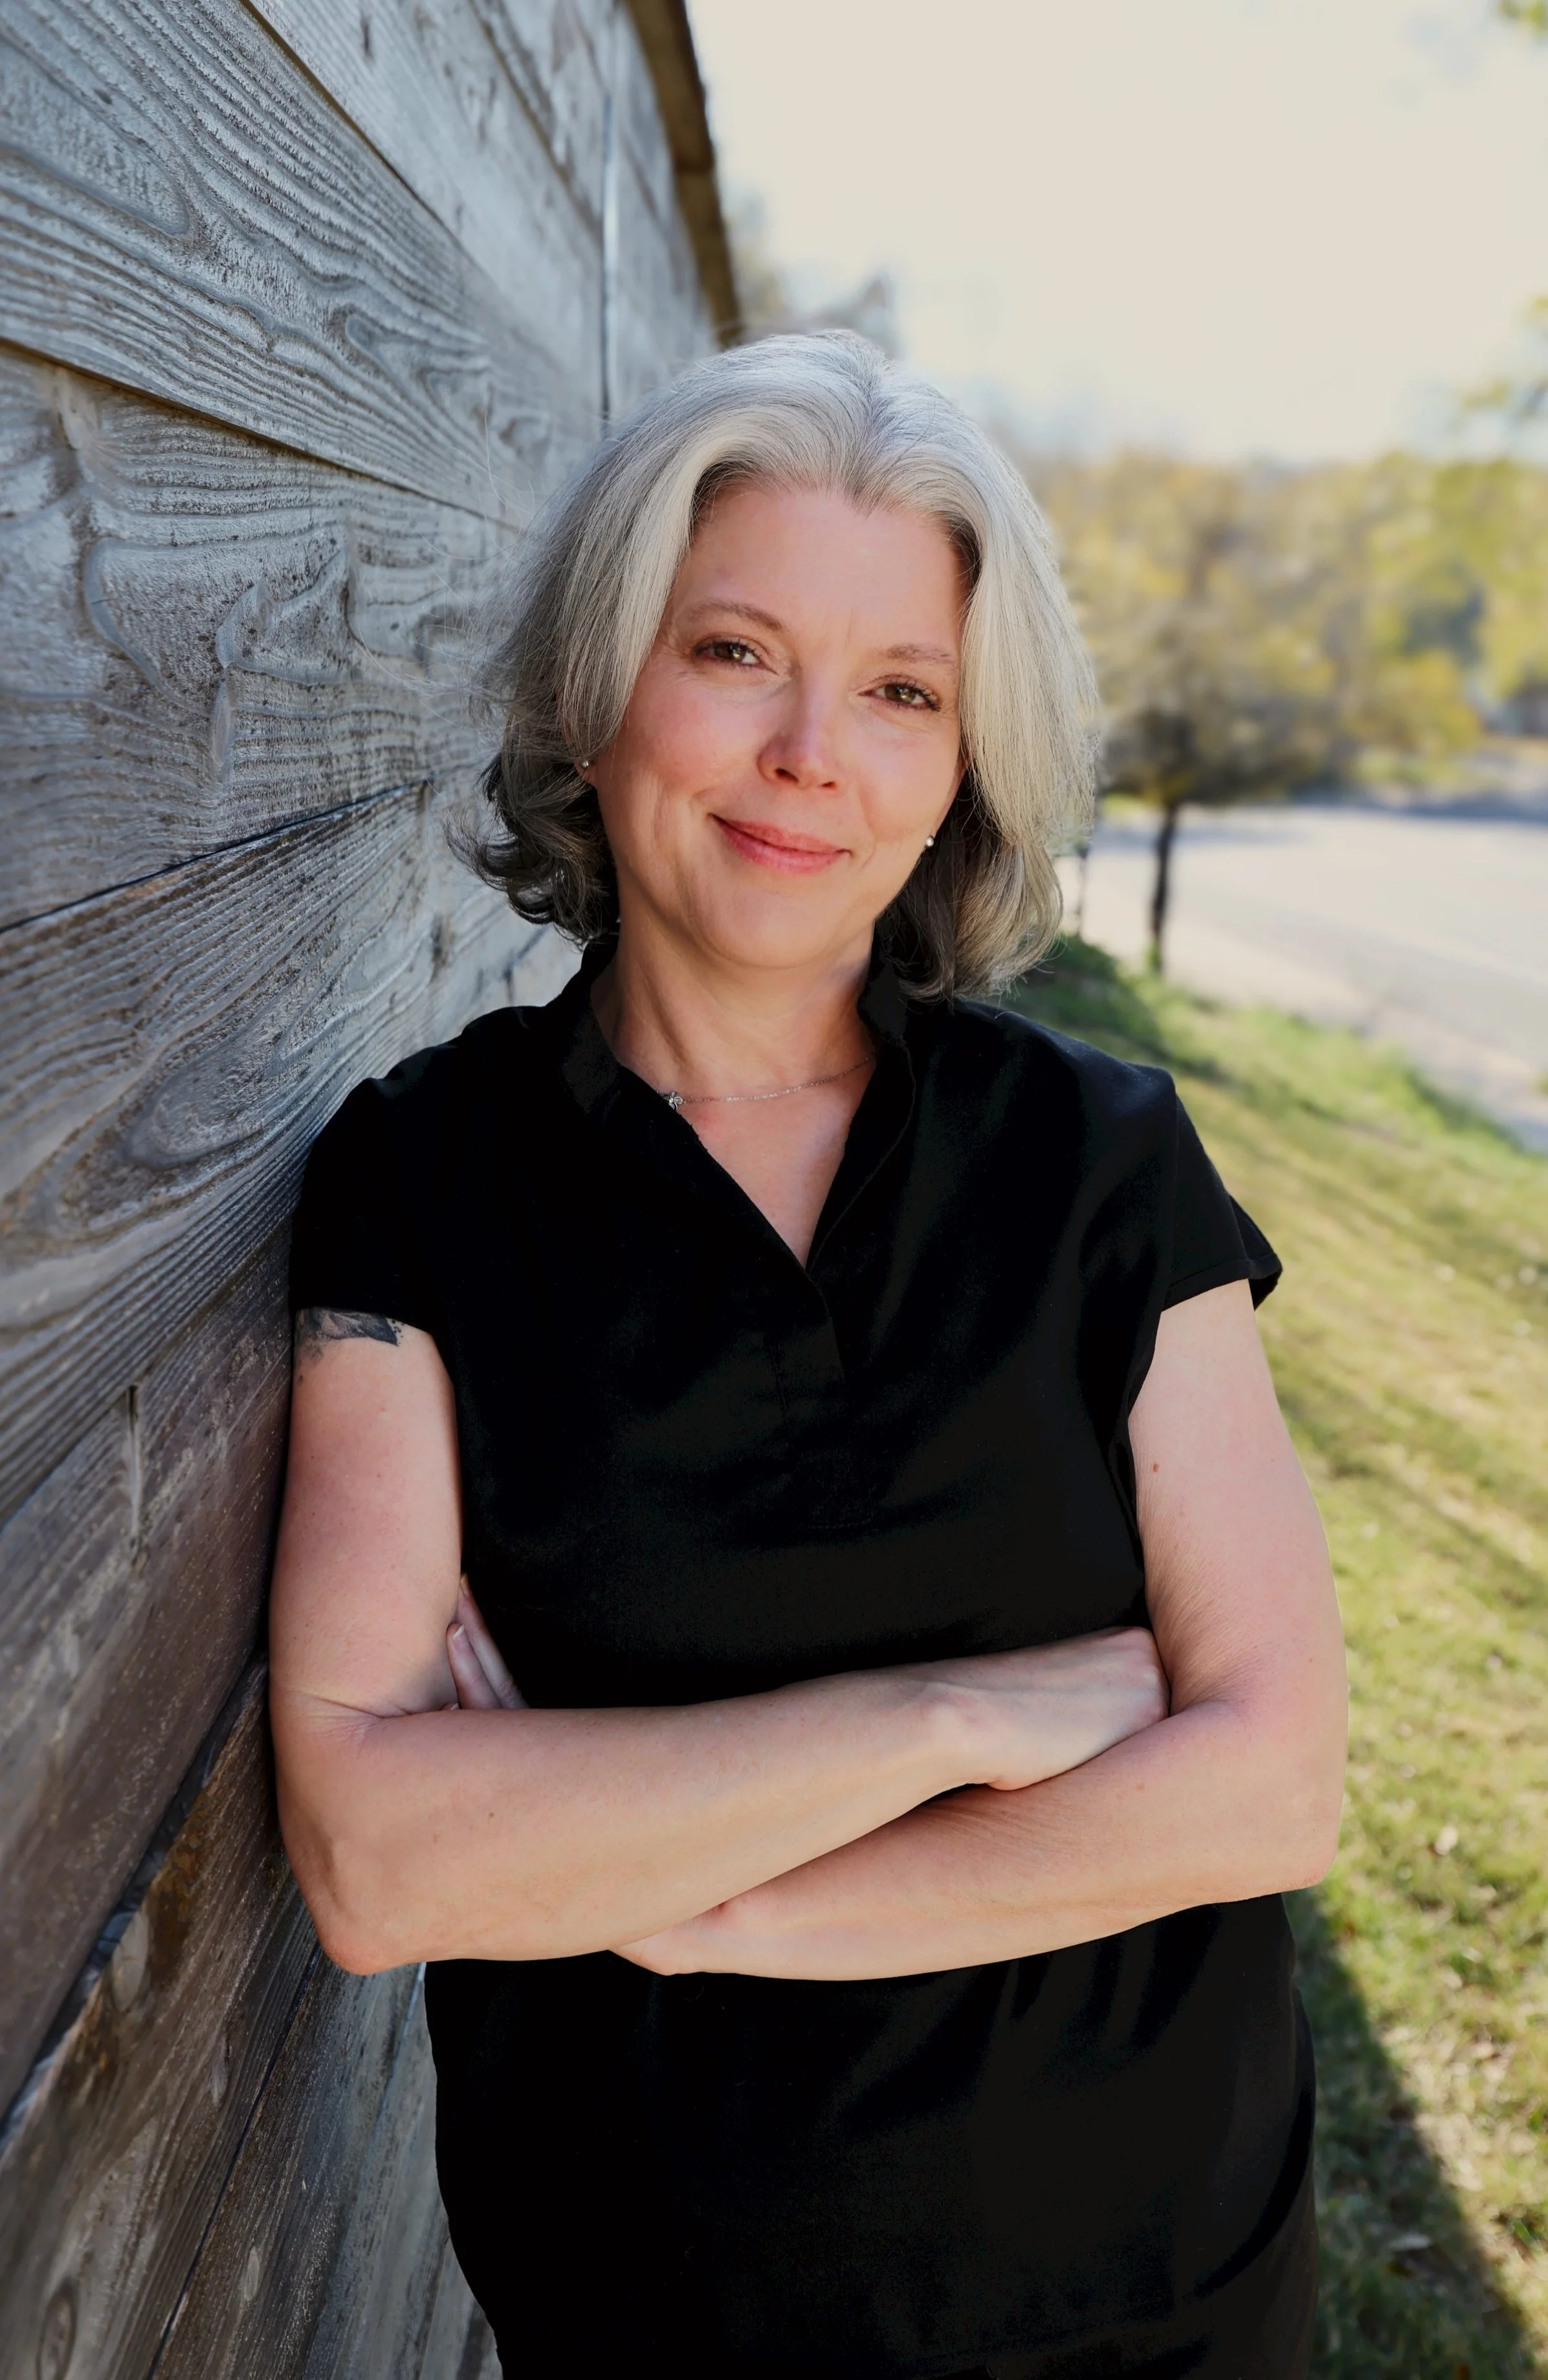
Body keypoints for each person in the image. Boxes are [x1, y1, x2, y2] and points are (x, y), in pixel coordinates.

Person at [270, 332, 1347, 2380]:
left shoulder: (1107, 1162)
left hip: (1171, 2315)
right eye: (738, 650)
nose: (810, 755)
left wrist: (692, 1899)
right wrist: (957, 1711)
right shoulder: (420, 1182)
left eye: (901, 691)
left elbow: (1271, 1781)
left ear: (960, 767)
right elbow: (376, 1854)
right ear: (597, 693)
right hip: (665, 2325)